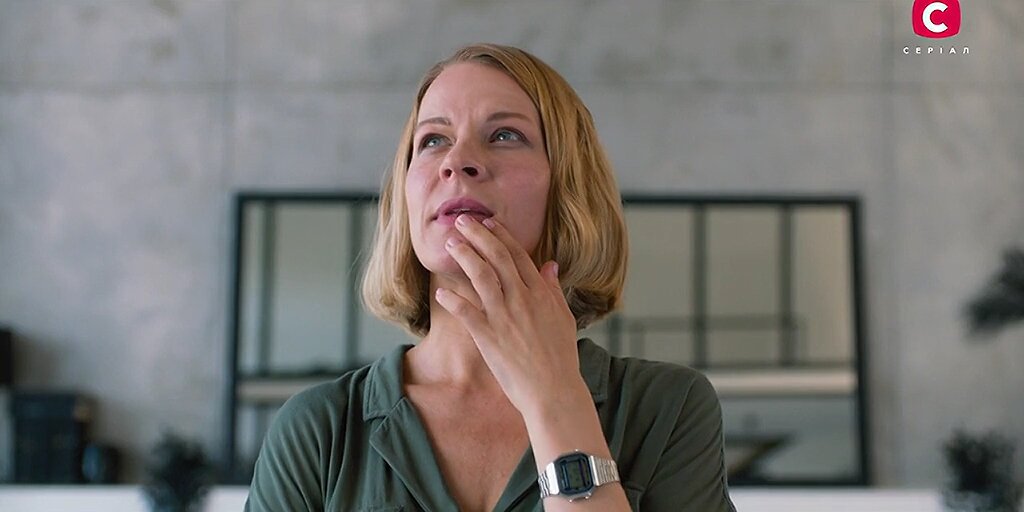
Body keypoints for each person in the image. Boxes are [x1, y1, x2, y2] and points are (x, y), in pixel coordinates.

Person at [244, 43, 736, 512]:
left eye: (505, 135)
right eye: (433, 140)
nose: (457, 161)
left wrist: (555, 399)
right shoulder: (319, 430)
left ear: (568, 185)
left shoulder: (667, 409)